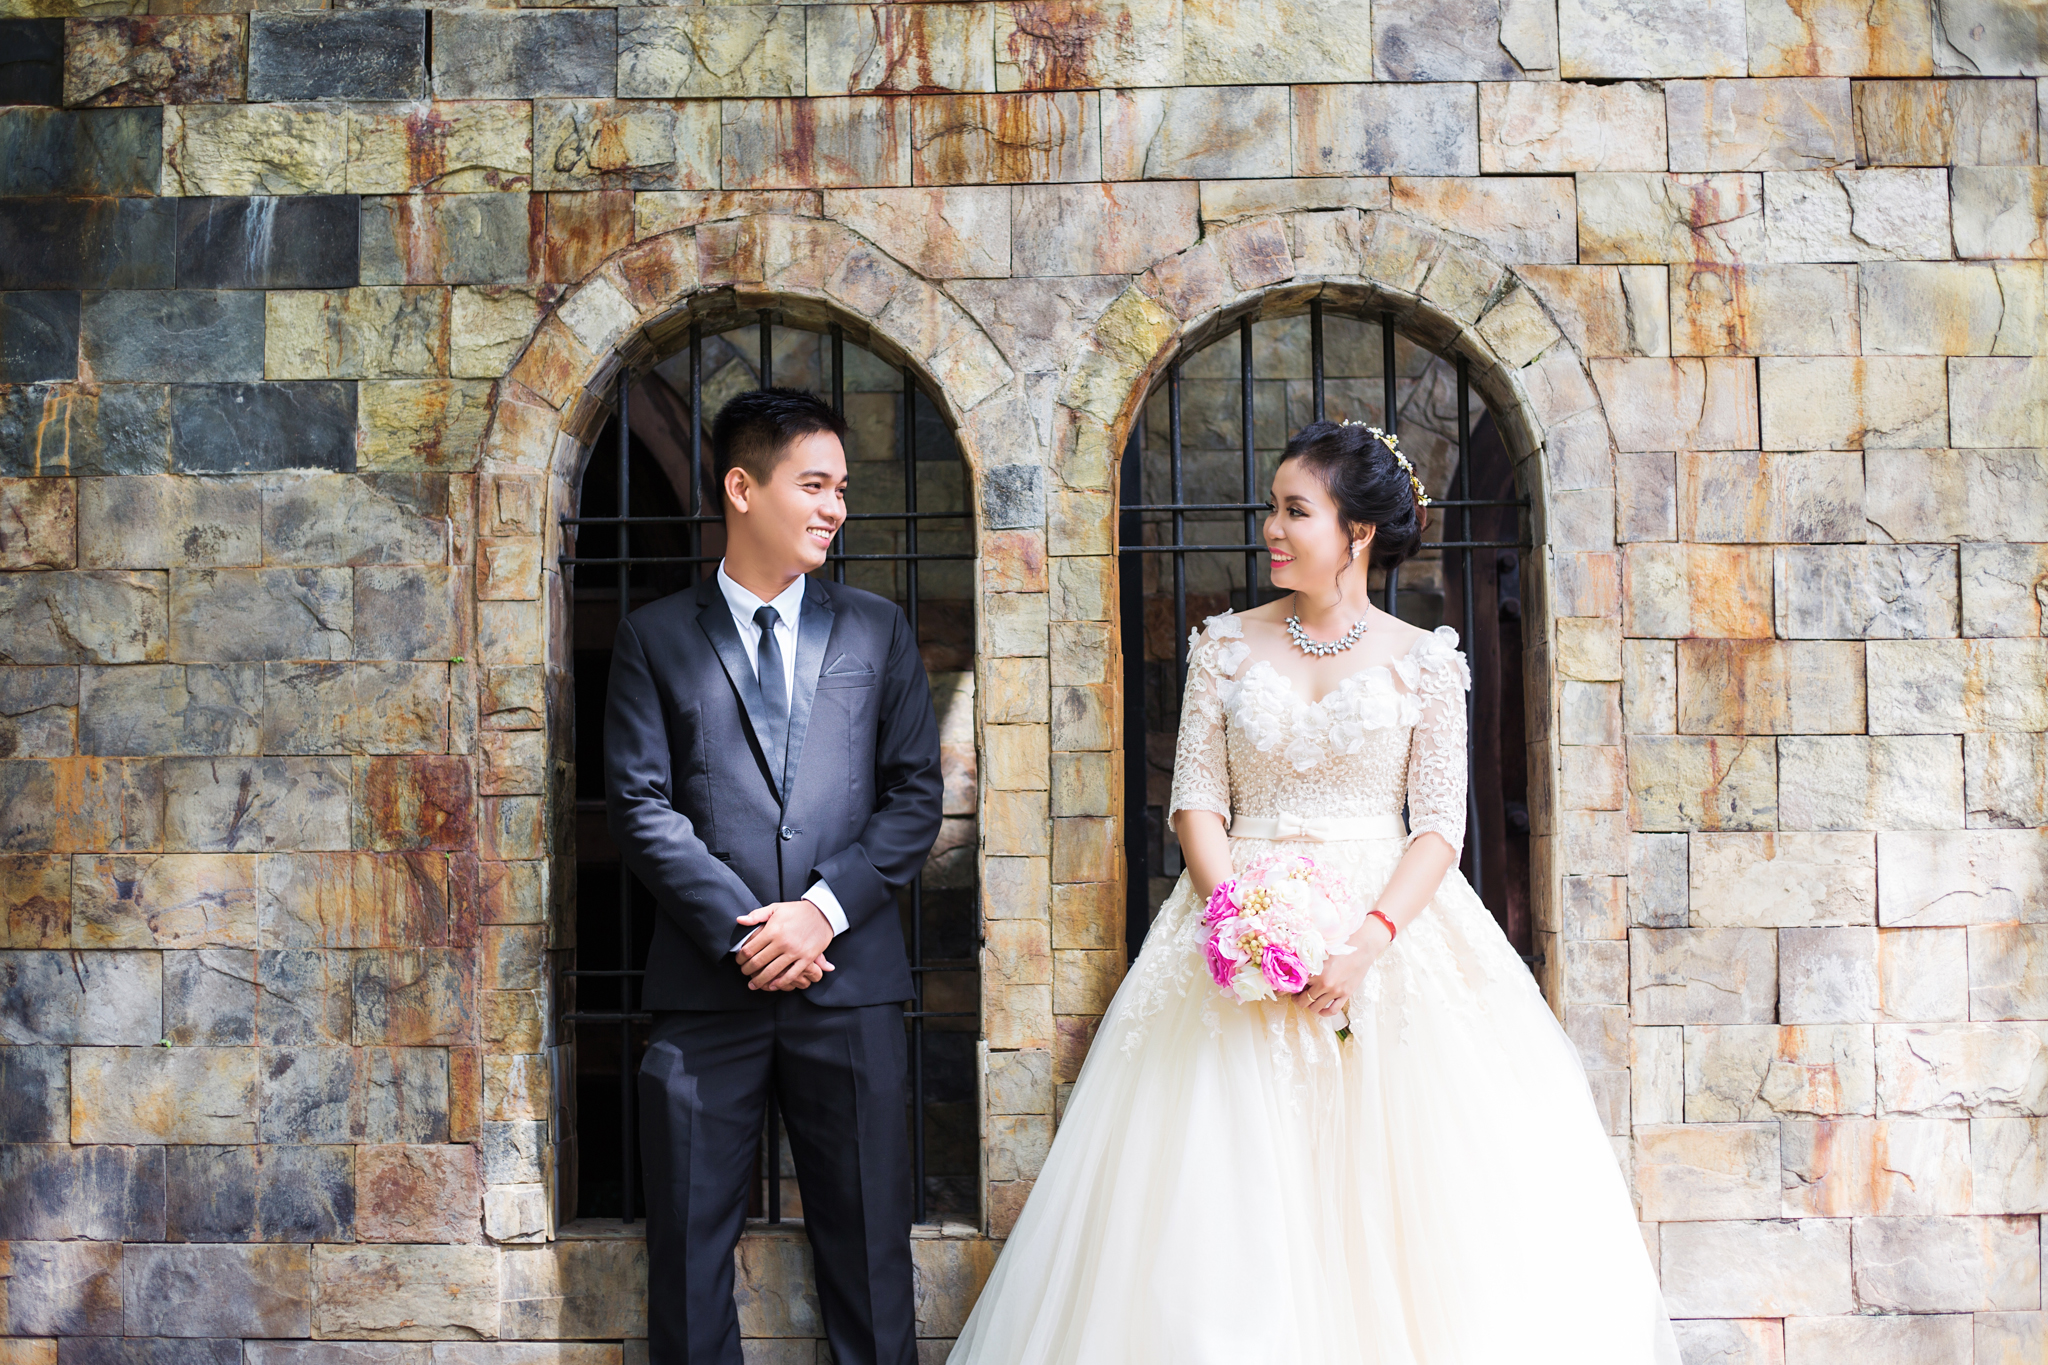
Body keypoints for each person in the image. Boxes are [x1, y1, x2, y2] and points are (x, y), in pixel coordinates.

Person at [949, 420, 1681, 1364]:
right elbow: (1197, 801)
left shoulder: (1426, 660)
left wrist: (1368, 940)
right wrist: (1240, 915)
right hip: (1234, 917)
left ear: (1358, 532)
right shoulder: (1223, 646)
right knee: (1217, 1180)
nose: (1273, 527)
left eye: (1297, 510)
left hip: (1387, 934)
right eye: (1274, 507)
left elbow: (1439, 826)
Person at [605, 386, 944, 1365]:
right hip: (707, 993)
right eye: (815, 485)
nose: (835, 507)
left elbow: (914, 797)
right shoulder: (653, 637)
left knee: (872, 1260)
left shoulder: (877, 630)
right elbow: (639, 805)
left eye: (842, 489)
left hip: (850, 984)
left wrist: (820, 914)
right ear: (742, 488)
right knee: (685, 1262)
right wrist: (750, 931)